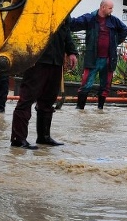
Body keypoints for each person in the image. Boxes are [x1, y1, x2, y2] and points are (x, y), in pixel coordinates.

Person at [10, 21, 78, 149]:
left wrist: (72, 52)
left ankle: (44, 137)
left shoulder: (63, 7)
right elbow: (24, 28)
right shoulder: (36, 4)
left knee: (48, 99)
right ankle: (18, 139)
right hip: (37, 59)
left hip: (55, 60)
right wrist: (27, 55)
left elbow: (66, 31)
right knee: (27, 99)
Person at [69, 0, 127, 110]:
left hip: (108, 59)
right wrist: (66, 15)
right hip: (93, 58)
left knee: (105, 86)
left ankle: (100, 108)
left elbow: (124, 30)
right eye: (110, 8)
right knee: (86, 84)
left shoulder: (114, 21)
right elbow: (74, 24)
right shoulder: (90, 18)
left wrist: (115, 42)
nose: (112, 10)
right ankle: (79, 108)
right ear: (103, 7)